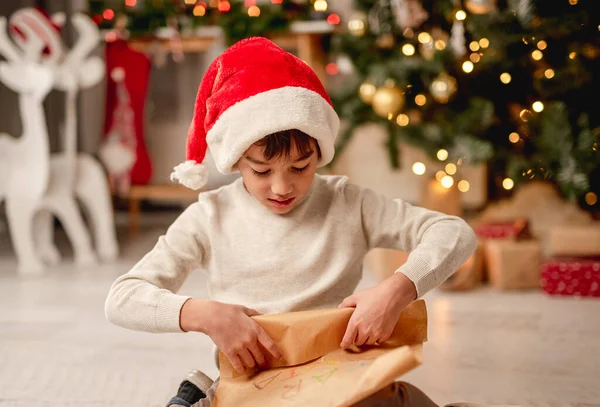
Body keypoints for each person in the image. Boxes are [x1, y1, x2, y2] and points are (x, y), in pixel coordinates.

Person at [105, 37, 477, 407]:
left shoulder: (347, 202)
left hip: (342, 379)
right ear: (235, 160)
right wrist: (201, 314)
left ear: (320, 151)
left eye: (300, 167)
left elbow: (454, 233)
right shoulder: (209, 217)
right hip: (257, 387)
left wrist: (397, 290)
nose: (282, 187)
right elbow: (122, 298)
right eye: (261, 170)